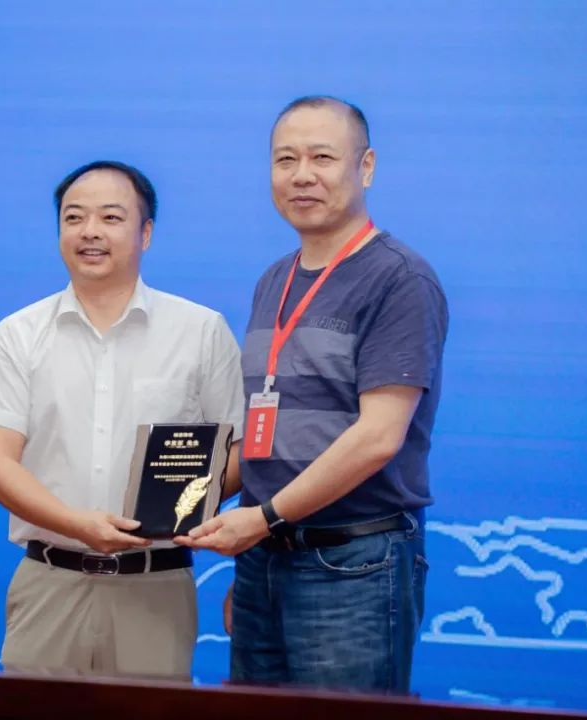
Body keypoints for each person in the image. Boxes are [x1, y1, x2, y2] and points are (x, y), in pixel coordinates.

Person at [177, 97, 448, 692]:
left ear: (365, 167)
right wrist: (176, 507)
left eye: (322, 158)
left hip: (353, 563)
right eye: (285, 159)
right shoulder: (274, 279)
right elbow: (267, 435)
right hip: (265, 560)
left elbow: (378, 438)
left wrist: (263, 519)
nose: (302, 175)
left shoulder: (399, 279)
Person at [0, 160, 244, 679]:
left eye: (111, 217)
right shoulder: (17, 335)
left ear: (146, 233)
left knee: (151, 716)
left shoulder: (201, 331)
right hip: (49, 580)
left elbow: (238, 453)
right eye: (74, 218)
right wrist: (78, 525)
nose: (90, 231)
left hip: (156, 586)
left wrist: (180, 508)